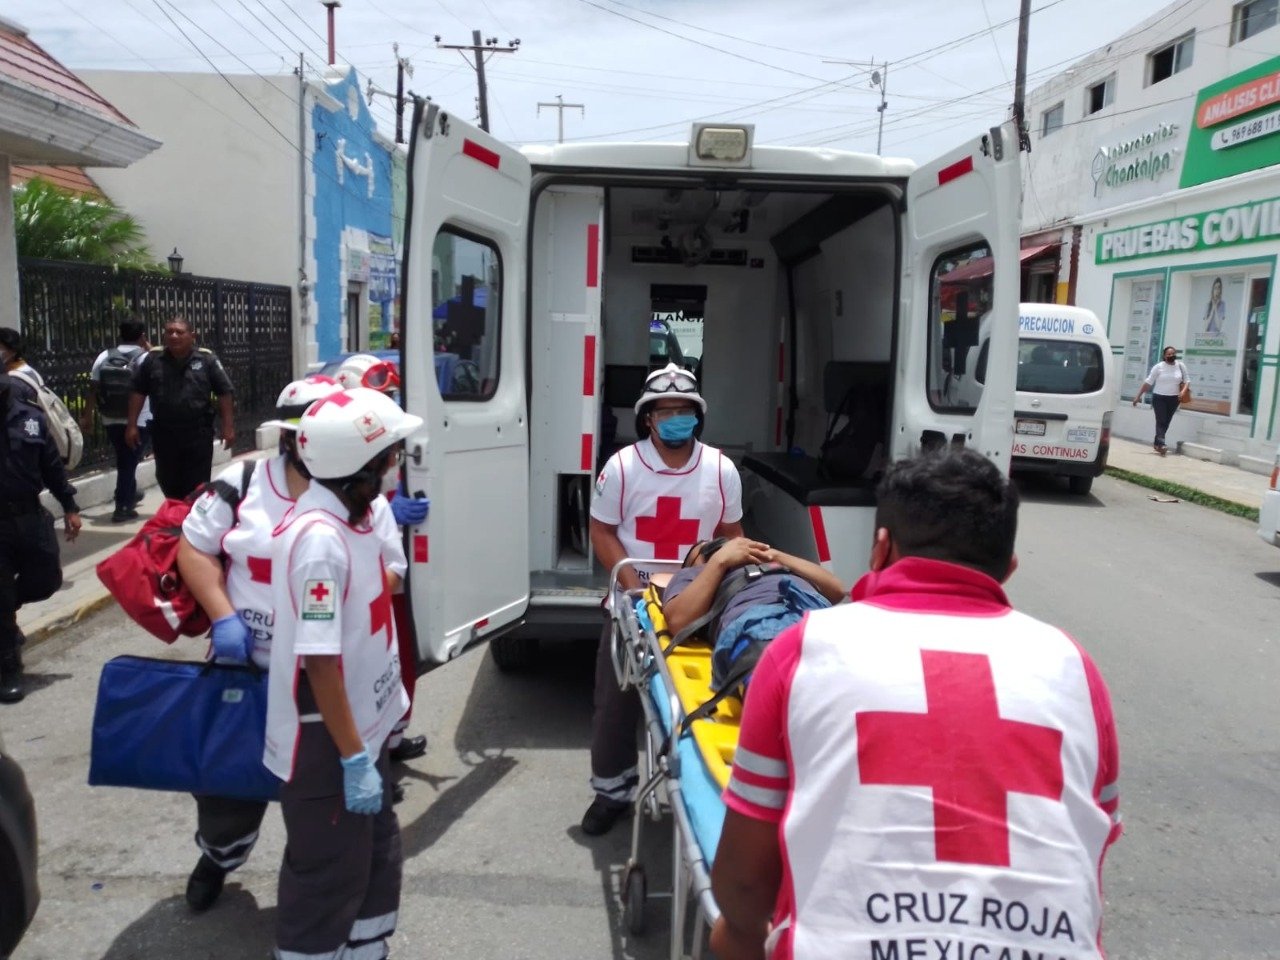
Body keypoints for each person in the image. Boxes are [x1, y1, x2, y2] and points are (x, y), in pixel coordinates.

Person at [709, 448, 1122, 960]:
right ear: (1008, 569)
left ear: (880, 548)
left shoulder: (806, 649)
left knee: (726, 939)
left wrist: (743, 937)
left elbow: (745, 887)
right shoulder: (1075, 669)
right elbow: (1089, 848)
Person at [176, 375, 406, 912]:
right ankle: (220, 854)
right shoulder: (244, 480)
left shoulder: (364, 499)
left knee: (318, 808)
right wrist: (224, 617)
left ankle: (313, 891)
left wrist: (337, 604)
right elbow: (194, 548)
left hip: (324, 682)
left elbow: (391, 570)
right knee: (227, 787)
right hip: (248, 664)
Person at [264, 387, 420, 960]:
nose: (392, 470)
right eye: (387, 460)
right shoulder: (320, 546)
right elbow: (321, 664)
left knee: (373, 855)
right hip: (329, 744)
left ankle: (365, 948)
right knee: (326, 874)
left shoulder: (354, 521)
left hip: (361, 729)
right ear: (360, 468)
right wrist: (354, 758)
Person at [583, 362, 744, 836]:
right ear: (647, 418)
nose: (675, 417)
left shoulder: (720, 469)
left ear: (698, 415)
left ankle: (706, 791)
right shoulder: (622, 467)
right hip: (634, 600)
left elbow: (732, 536)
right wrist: (634, 587)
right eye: (664, 410)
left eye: (684, 410)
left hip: (699, 601)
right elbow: (601, 530)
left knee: (710, 701)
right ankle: (612, 791)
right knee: (615, 704)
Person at [334, 353, 430, 767]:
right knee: (362, 664)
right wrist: (389, 510)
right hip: (356, 575)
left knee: (399, 657)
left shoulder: (389, 435)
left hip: (390, 572)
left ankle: (393, 737)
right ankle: (365, 749)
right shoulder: (333, 445)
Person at [662, 536, 846, 692]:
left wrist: (774, 555)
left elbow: (837, 590)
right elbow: (678, 620)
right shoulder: (692, 575)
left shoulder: (777, 562)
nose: (719, 544)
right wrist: (719, 561)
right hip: (759, 623)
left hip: (813, 613)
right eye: (704, 549)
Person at [0, 371, 82, 703]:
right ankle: (8, 669)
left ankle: (5, 609)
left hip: (29, 515)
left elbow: (51, 465)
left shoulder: (30, 418)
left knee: (48, 578)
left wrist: (70, 506)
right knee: (1, 595)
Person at [126, 316, 235, 499]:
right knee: (167, 479)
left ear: (192, 336)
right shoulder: (153, 359)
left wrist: (228, 426)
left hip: (197, 434)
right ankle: (176, 516)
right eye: (170, 332)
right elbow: (138, 391)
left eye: (179, 332)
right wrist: (131, 425)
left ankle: (192, 519)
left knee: (198, 484)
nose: (174, 336)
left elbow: (224, 392)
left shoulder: (206, 359)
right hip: (164, 434)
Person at [82, 321, 152, 522]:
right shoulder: (146, 357)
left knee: (126, 458)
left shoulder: (105, 356)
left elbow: (93, 388)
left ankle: (130, 493)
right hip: (139, 419)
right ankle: (122, 506)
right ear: (142, 335)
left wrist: (87, 416)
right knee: (128, 461)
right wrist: (147, 346)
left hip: (110, 417)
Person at [1131, 345, 1189, 456]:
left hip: (1174, 399)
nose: (1171, 355)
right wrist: (1138, 396)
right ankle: (1162, 444)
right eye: (1169, 354)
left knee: (1166, 422)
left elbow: (1187, 380)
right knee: (1161, 420)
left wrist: (1183, 392)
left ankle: (1157, 444)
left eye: (1173, 354)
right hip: (1159, 398)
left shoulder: (1181, 366)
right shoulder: (1159, 367)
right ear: (1164, 356)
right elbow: (1148, 382)